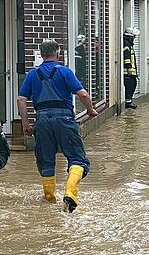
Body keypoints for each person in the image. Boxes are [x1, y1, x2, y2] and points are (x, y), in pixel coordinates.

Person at [16, 39, 98, 212]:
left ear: (42, 54)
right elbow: (82, 94)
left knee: (46, 161)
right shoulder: (65, 72)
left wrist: (25, 124)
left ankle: (50, 201)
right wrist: (90, 110)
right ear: (58, 53)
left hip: (42, 121)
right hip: (65, 120)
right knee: (78, 159)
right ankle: (70, 193)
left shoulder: (32, 74)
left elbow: (21, 99)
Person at [122, 27, 139, 109]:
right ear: (130, 36)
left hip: (130, 71)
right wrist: (128, 67)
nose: (134, 38)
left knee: (133, 84)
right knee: (130, 85)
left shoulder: (128, 43)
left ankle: (129, 101)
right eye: (134, 36)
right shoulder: (126, 43)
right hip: (127, 71)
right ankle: (128, 102)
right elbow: (126, 56)